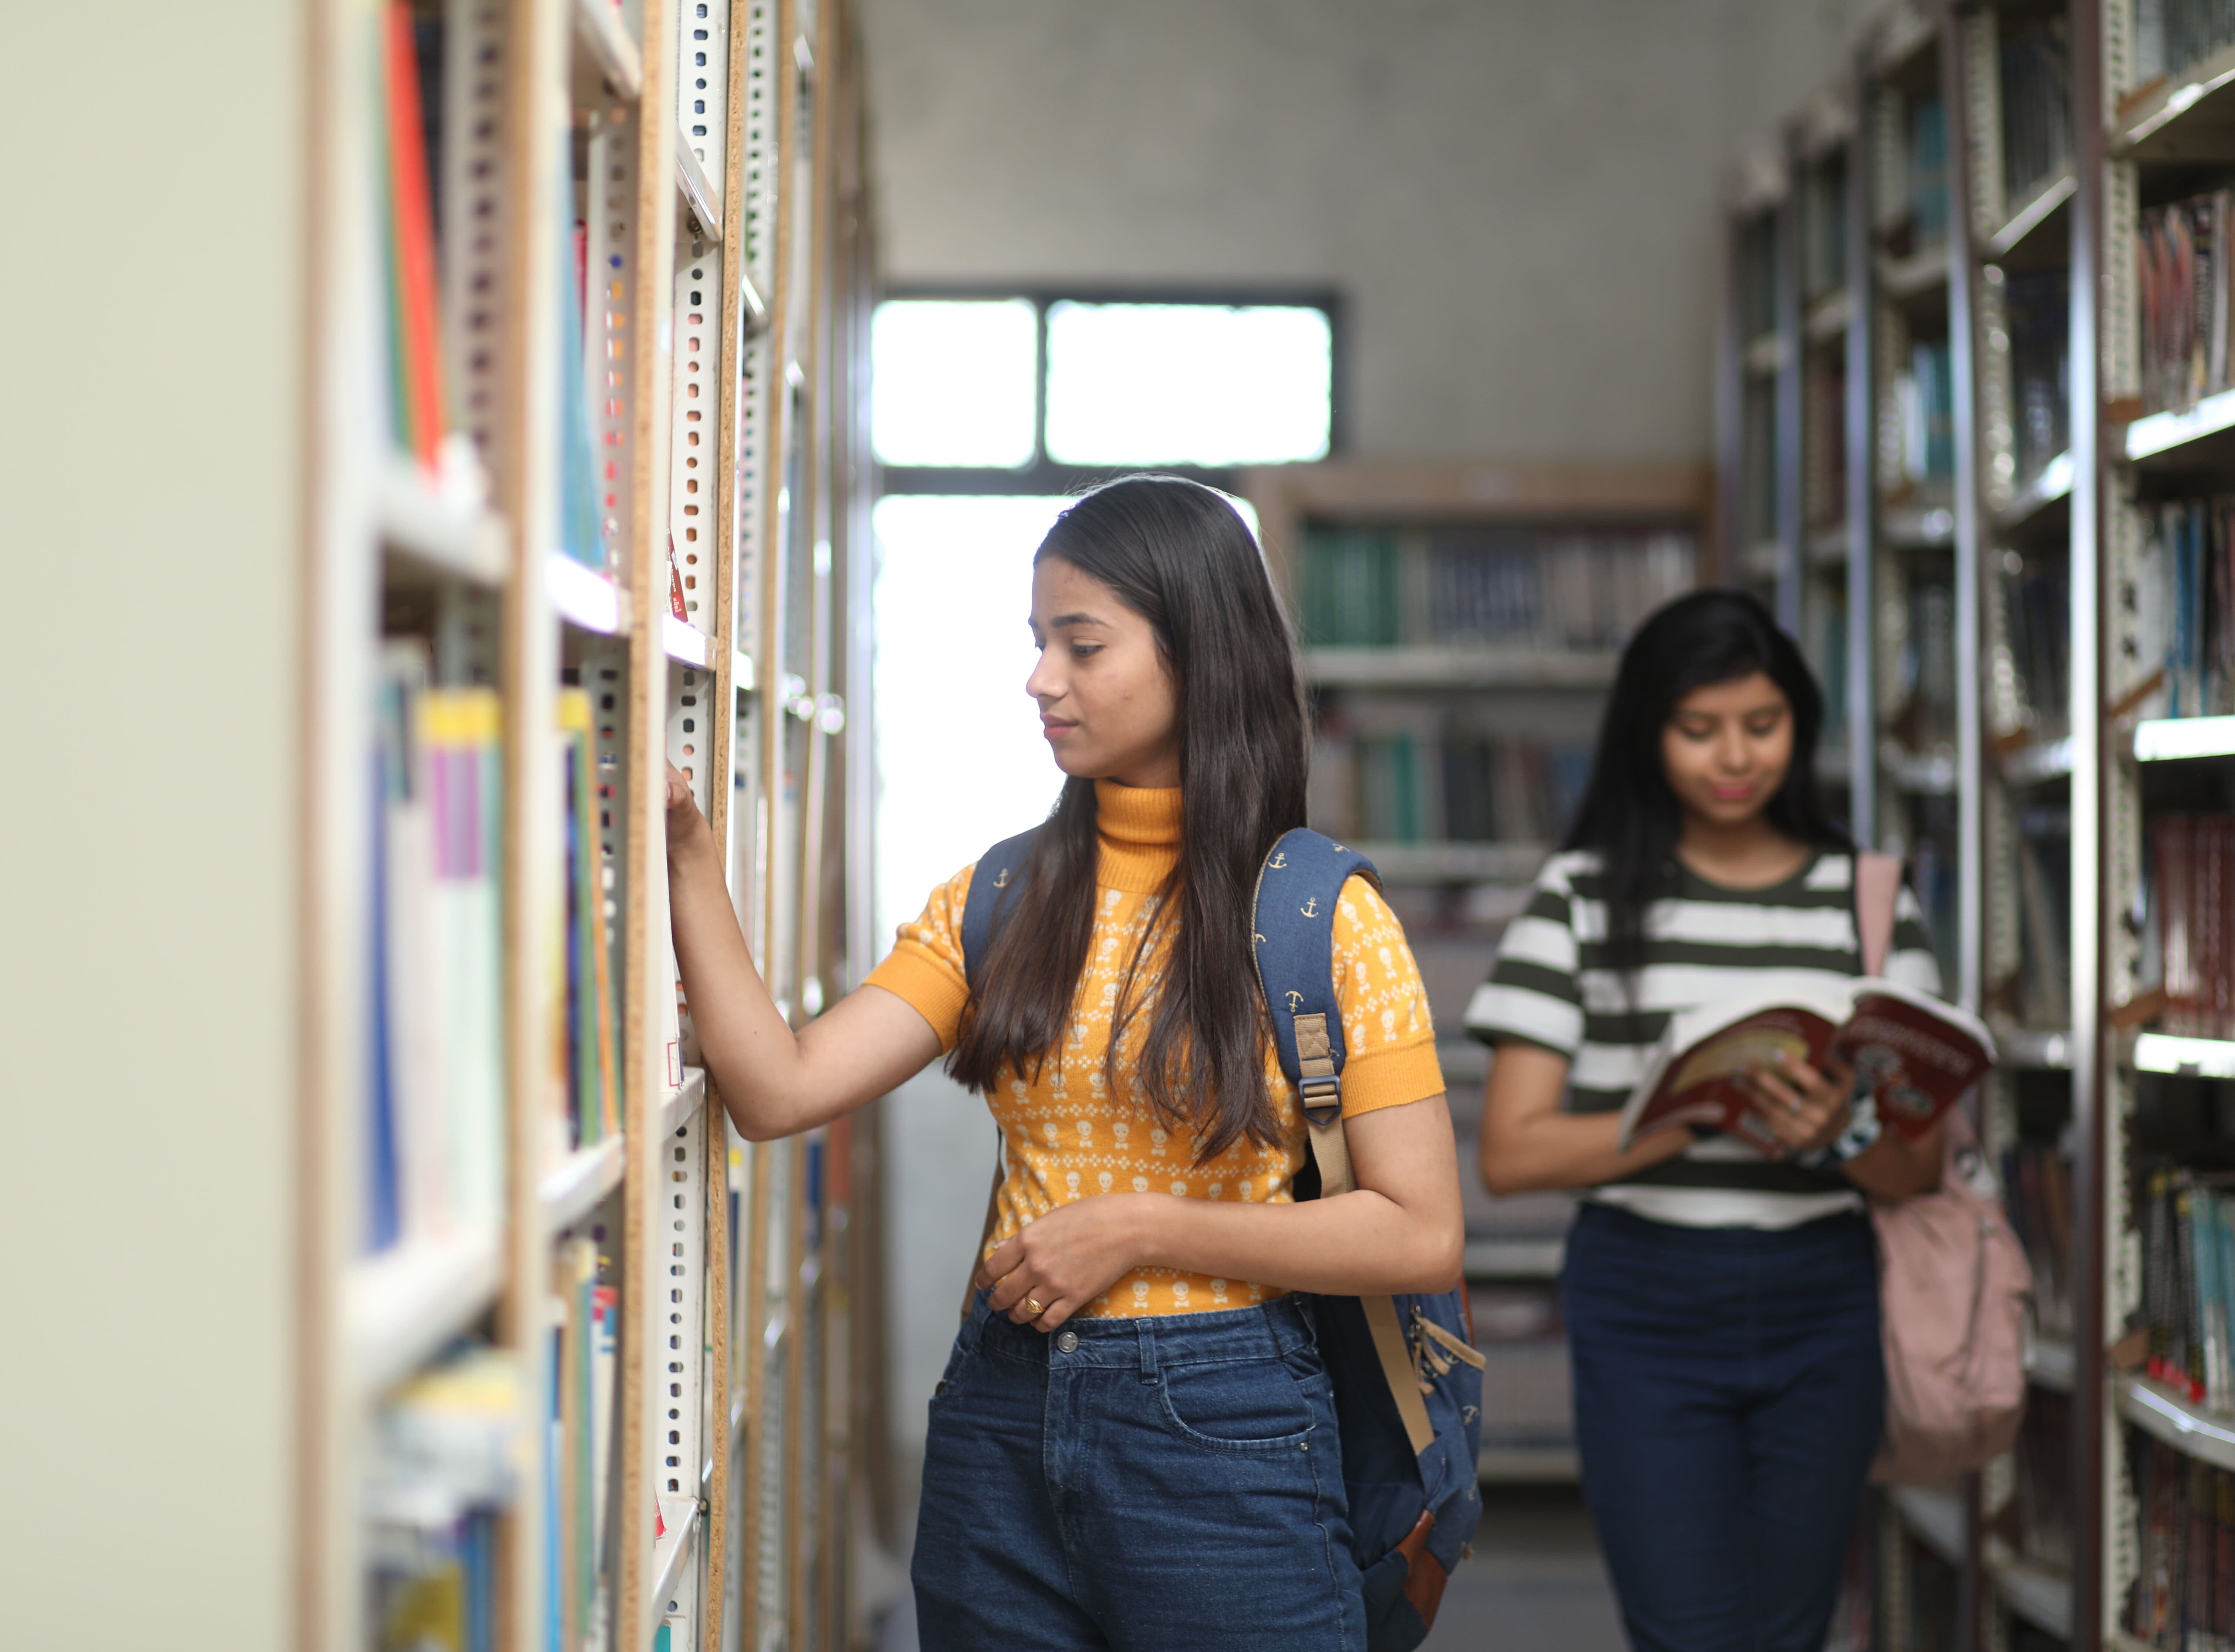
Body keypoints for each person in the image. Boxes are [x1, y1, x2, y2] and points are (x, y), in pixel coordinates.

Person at [662, 476, 1462, 1650]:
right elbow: (780, 1089)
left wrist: (1142, 1227)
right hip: (1002, 1416)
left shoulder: (1321, 916)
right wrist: (684, 858)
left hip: (1228, 1424)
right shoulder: (1005, 893)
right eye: (1039, 643)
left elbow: (1418, 1229)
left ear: (1198, 653)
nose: (1042, 680)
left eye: (1082, 646)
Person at [1464, 589, 1945, 1652]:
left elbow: (1920, 1172)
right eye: (1699, 730)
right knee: (1688, 1632)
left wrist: (1839, 1135)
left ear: (1800, 726)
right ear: (1650, 736)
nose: (1736, 757)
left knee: (1789, 1630)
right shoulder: (1582, 899)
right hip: (1646, 1301)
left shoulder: (1866, 901)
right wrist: (1694, 1117)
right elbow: (1511, 1152)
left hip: (1825, 1300)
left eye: (1762, 726)